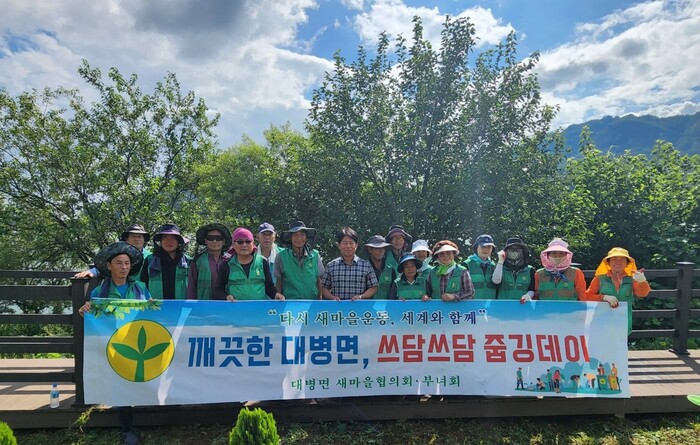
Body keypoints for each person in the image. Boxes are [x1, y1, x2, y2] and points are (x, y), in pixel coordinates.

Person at [78, 241, 149, 445]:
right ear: (109, 266)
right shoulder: (99, 292)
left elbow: (153, 312)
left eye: (127, 263)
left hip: (137, 342)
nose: (124, 267)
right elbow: (93, 313)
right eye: (119, 263)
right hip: (114, 345)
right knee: (120, 382)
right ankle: (127, 429)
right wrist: (85, 311)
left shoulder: (140, 288)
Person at [585, 247, 652, 334]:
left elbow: (642, 294)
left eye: (622, 260)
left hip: (623, 322)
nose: (618, 262)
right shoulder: (599, 279)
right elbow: (587, 296)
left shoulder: (633, 279)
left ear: (627, 263)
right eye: (614, 259)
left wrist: (642, 281)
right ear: (608, 262)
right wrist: (603, 297)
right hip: (602, 323)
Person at [219, 227, 283, 301]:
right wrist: (226, 297)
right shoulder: (226, 264)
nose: (244, 245)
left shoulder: (262, 262)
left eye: (248, 241)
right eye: (240, 242)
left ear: (253, 243)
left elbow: (269, 287)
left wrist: (276, 295)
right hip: (234, 307)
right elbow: (218, 290)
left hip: (259, 307)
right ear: (233, 244)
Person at [73, 223, 152, 279]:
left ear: (144, 239)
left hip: (142, 292)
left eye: (139, 236)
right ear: (126, 239)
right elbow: (103, 267)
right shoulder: (118, 253)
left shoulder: (150, 257)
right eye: (133, 236)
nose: (137, 239)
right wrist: (91, 272)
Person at [321, 227, 378, 301]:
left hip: (359, 307)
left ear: (356, 245)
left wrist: (361, 297)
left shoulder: (366, 265)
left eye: (351, 243)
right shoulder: (331, 266)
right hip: (337, 307)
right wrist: (332, 298)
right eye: (345, 243)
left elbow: (373, 287)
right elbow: (324, 288)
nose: (348, 246)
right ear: (339, 245)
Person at [275, 221, 324, 300]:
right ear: (290, 237)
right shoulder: (281, 256)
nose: (299, 238)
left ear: (306, 237)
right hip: (289, 303)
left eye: (302, 234)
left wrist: (320, 300)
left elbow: (319, 280)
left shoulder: (315, 255)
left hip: (312, 302)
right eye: (295, 235)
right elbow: (279, 280)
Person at [140, 223, 190, 299]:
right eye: (165, 238)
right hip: (156, 304)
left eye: (173, 238)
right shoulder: (150, 260)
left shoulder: (188, 261)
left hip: (181, 304)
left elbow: (193, 286)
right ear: (160, 241)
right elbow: (143, 285)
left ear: (178, 241)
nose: (169, 241)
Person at [187, 223, 231, 300]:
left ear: (223, 241)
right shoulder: (198, 261)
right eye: (210, 238)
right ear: (205, 241)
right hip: (203, 303)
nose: (214, 241)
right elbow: (191, 286)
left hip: (226, 303)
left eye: (218, 238)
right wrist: (191, 304)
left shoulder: (230, 260)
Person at [492, 237, 536, 301]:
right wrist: (500, 261)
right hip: (502, 305)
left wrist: (528, 295)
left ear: (523, 252)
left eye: (518, 249)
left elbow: (532, 289)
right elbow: (496, 281)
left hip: (523, 305)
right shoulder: (499, 267)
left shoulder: (530, 270)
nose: (514, 252)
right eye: (511, 249)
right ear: (505, 252)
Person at [463, 234, 498, 299]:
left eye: (489, 247)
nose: (486, 249)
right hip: (471, 305)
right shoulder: (466, 265)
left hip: (491, 304)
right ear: (476, 248)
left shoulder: (494, 267)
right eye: (483, 246)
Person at [365, 235, 396, 299]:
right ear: (370, 250)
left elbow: (394, 291)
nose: (381, 251)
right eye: (377, 248)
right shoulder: (363, 268)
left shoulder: (390, 269)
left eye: (383, 248)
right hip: (367, 304)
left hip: (386, 304)